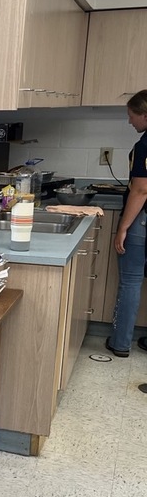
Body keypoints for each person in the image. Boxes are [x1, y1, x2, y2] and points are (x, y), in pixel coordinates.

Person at [106, 89, 147, 357]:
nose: (130, 121)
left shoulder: (145, 145)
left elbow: (141, 190)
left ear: (144, 114)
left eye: (131, 115)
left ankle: (120, 343)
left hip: (142, 222)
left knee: (131, 281)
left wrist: (123, 227)